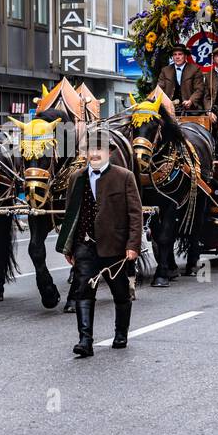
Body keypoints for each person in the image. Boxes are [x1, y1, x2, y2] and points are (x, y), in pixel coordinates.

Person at [56, 132, 143, 358]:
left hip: (115, 246)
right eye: (90, 150)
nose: (94, 154)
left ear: (109, 153)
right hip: (84, 244)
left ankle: (121, 333)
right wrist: (68, 247)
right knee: (83, 291)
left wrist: (133, 245)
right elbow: (70, 214)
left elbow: (135, 214)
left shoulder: (124, 177)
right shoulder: (76, 178)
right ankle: (85, 341)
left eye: (99, 150)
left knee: (120, 292)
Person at [156, 45, 204, 112]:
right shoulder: (165, 70)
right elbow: (159, 88)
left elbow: (199, 89)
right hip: (168, 109)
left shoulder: (195, 69)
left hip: (190, 110)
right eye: (175, 55)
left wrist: (191, 101)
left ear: (185, 56)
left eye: (180, 54)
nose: (177, 57)